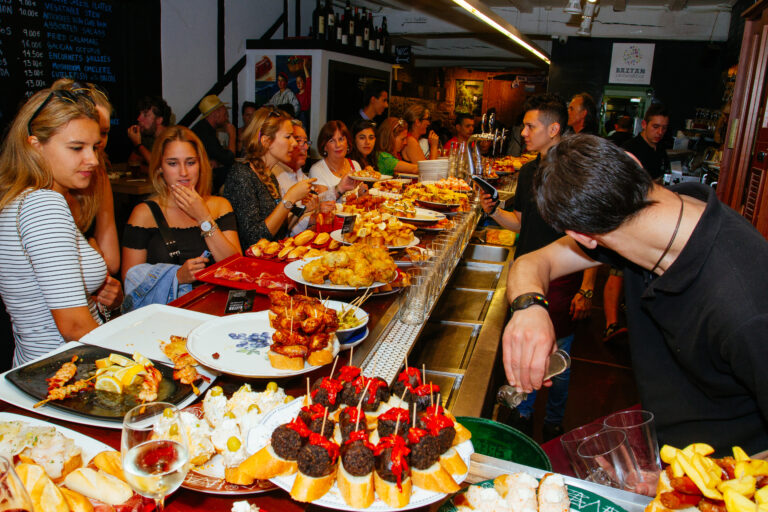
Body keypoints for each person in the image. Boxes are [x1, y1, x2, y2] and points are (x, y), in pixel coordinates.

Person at [502, 133, 768, 455]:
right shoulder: (642, 220)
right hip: (658, 440)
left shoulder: (746, 305)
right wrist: (530, 307)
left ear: (581, 236)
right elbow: (533, 261)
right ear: (634, 163)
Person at [479, 94, 595, 441]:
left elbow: (592, 237)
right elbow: (520, 222)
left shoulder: (576, 175)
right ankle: (523, 416)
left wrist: (587, 287)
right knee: (527, 351)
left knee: (559, 356)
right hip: (526, 277)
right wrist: (493, 210)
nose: (524, 132)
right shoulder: (529, 169)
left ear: (554, 128)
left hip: (562, 280)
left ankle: (554, 421)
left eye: (531, 126)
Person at [0, 80, 122, 366]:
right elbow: (74, 327)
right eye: (76, 148)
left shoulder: (19, 199)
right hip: (68, 371)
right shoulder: (43, 204)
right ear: (36, 146)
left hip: (39, 365)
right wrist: (142, 361)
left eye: (94, 147)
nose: (92, 159)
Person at [121, 126, 241, 311]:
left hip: (216, 313)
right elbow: (131, 284)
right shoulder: (144, 214)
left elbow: (236, 269)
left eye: (190, 162)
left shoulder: (219, 206)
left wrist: (203, 218)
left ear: (201, 164)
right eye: (173, 163)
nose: (183, 172)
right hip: (165, 319)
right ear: (160, 167)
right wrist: (176, 277)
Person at [222, 107, 316, 248]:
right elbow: (255, 239)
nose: (295, 143)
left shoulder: (269, 174)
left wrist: (302, 208)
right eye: (287, 137)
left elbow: (279, 230)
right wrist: (289, 198)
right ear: (266, 141)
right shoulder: (241, 175)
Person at [61, 80, 120, 276]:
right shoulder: (35, 197)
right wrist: (90, 246)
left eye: (104, 133)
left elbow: (112, 263)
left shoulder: (99, 175)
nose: (99, 142)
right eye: (78, 146)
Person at [272, 120, 321, 235]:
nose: (304, 148)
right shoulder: (274, 177)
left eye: (306, 142)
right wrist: (310, 217)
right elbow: (280, 232)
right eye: (298, 141)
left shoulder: (302, 177)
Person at [192, 94, 236, 192]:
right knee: (234, 172)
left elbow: (218, 155)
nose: (226, 119)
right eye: (225, 115)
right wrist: (232, 135)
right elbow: (229, 159)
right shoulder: (205, 133)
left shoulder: (203, 128)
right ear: (215, 114)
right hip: (201, 181)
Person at [309, 120, 365, 199]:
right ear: (324, 146)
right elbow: (321, 202)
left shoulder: (355, 165)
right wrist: (340, 188)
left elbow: (359, 200)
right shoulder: (317, 170)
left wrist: (363, 194)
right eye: (332, 141)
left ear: (347, 142)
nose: (338, 145)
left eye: (341, 139)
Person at [622, 103, 671, 181]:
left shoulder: (660, 148)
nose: (660, 132)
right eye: (655, 127)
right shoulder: (630, 149)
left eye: (664, 128)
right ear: (644, 125)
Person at [127, 96, 172, 169]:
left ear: (159, 120)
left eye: (145, 115)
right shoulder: (147, 137)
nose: (138, 119)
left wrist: (138, 145)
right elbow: (132, 162)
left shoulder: (172, 139)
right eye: (140, 114)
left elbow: (162, 168)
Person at [295, 61, 311, 127]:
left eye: (300, 81)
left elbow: (308, 79)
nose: (298, 84)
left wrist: (304, 66)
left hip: (305, 116)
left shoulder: (307, 91)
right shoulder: (296, 96)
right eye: (297, 82)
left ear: (304, 82)